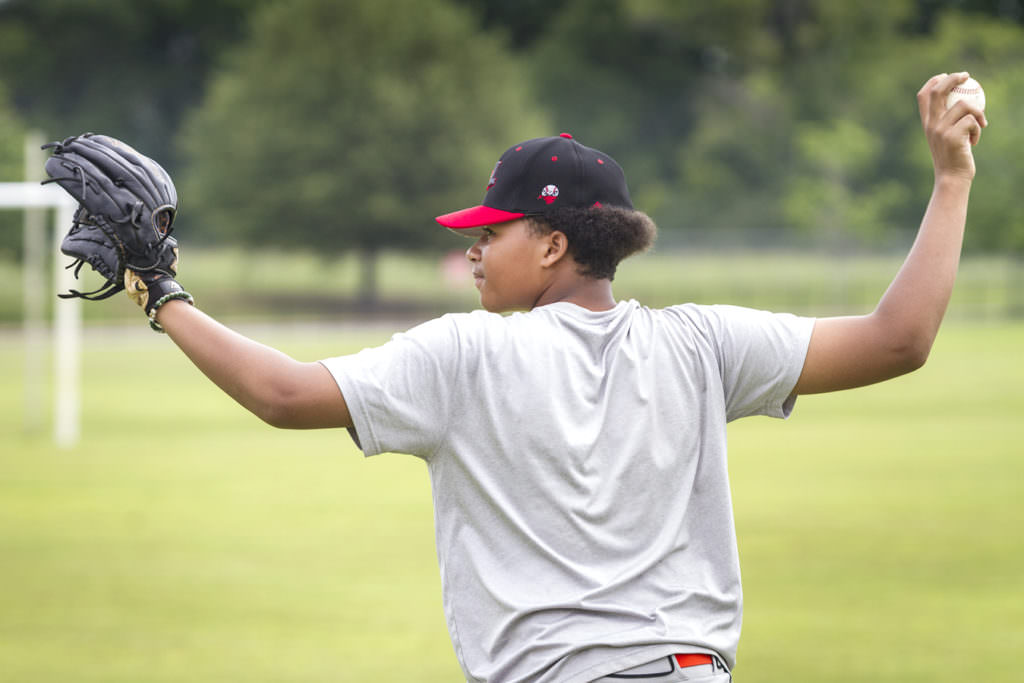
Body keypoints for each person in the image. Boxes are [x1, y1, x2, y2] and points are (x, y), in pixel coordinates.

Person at [143, 73, 984, 682]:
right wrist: (952, 180)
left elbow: (284, 394)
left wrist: (163, 293)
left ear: (552, 244)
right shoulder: (701, 344)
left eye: (492, 232)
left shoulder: (466, 354)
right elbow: (898, 340)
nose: (474, 249)